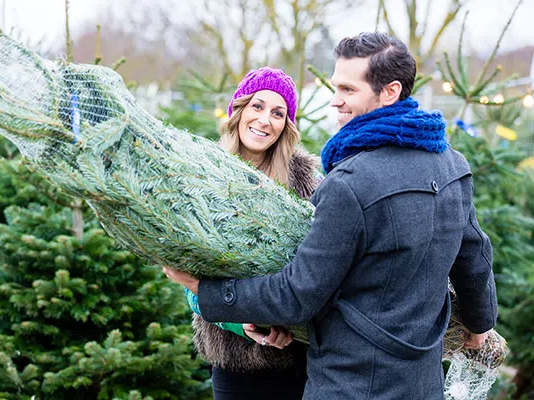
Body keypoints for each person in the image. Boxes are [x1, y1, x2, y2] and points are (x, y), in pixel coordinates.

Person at [164, 32, 498, 400]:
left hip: (349, 383)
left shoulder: (348, 183)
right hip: (422, 384)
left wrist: (206, 291)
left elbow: (297, 295)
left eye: (348, 90)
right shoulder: (453, 164)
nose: (335, 100)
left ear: (389, 91)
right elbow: (474, 260)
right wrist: (480, 325)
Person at [183, 66, 323, 400]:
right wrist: (241, 322)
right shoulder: (206, 175)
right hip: (236, 365)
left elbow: (317, 268)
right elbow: (189, 284)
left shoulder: (305, 184)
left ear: (286, 125)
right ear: (239, 109)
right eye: (257, 106)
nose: (265, 120)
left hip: (297, 360)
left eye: (278, 113)